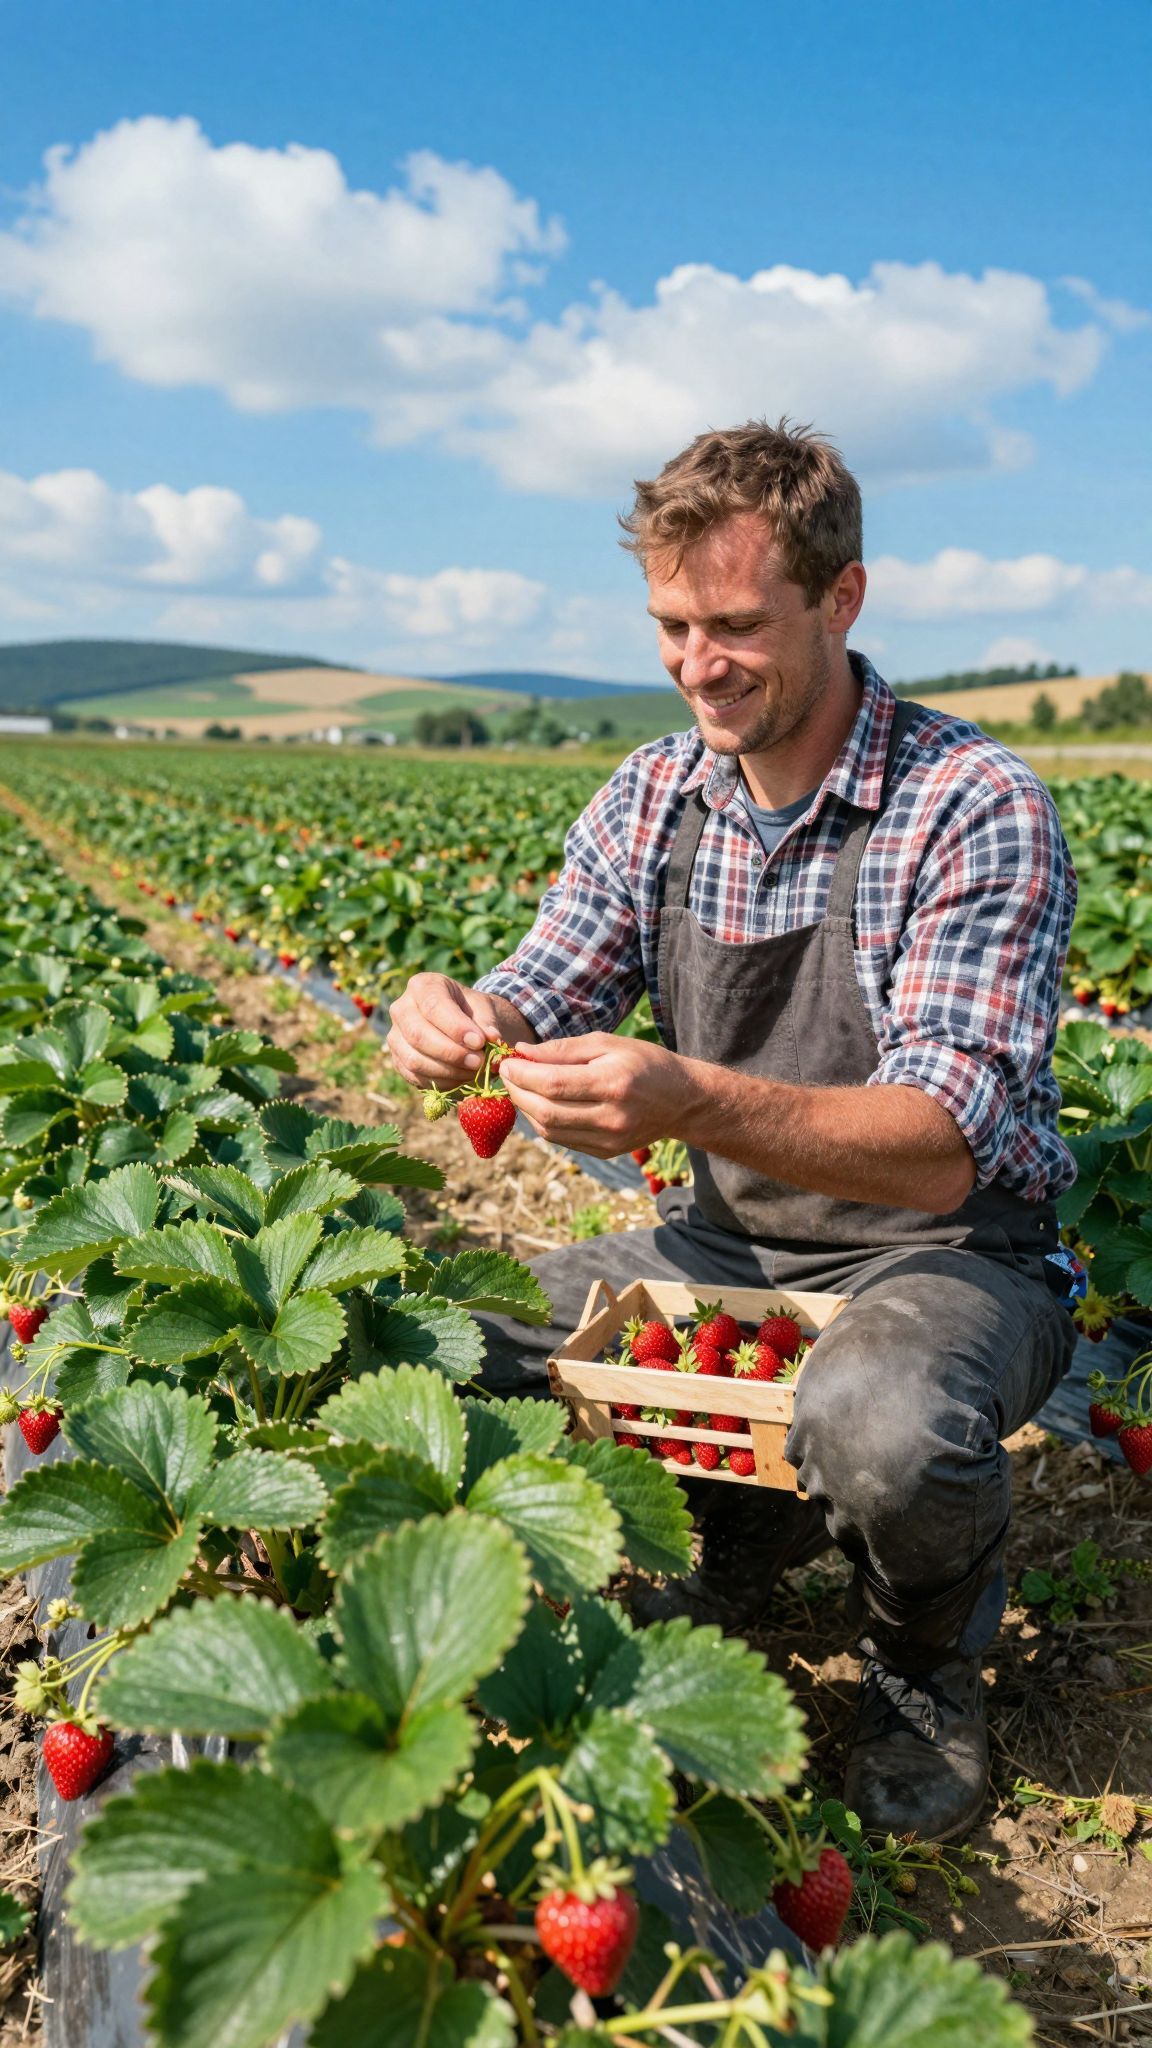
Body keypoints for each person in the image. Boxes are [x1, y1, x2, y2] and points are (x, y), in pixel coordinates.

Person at [387, 418, 1078, 1842]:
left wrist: (690, 1097)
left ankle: (924, 1669)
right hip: (729, 1246)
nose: (697, 664)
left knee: (879, 1425)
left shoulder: (968, 804)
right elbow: (545, 984)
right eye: (672, 624)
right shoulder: (655, 796)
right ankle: (745, 1525)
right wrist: (462, 1020)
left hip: (942, 1261)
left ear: (843, 599)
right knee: (426, 1342)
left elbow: (947, 1137)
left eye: (737, 625)